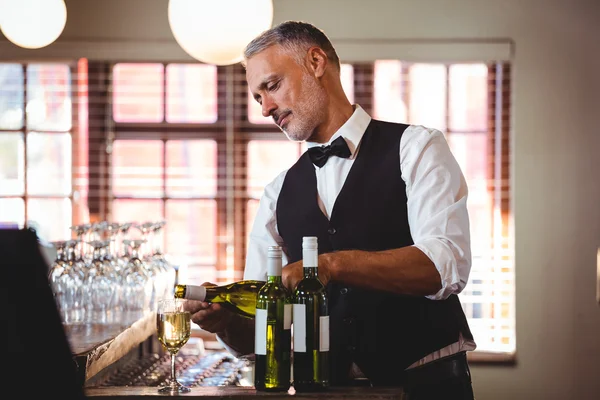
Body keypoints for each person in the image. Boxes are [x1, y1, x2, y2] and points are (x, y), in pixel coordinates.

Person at [186, 20, 476, 399]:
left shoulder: (416, 147)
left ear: (316, 61)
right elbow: (260, 334)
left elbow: (445, 265)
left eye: (271, 86)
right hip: (325, 391)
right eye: (258, 98)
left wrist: (331, 265)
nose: (265, 109)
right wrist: (225, 322)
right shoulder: (277, 194)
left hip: (428, 387)